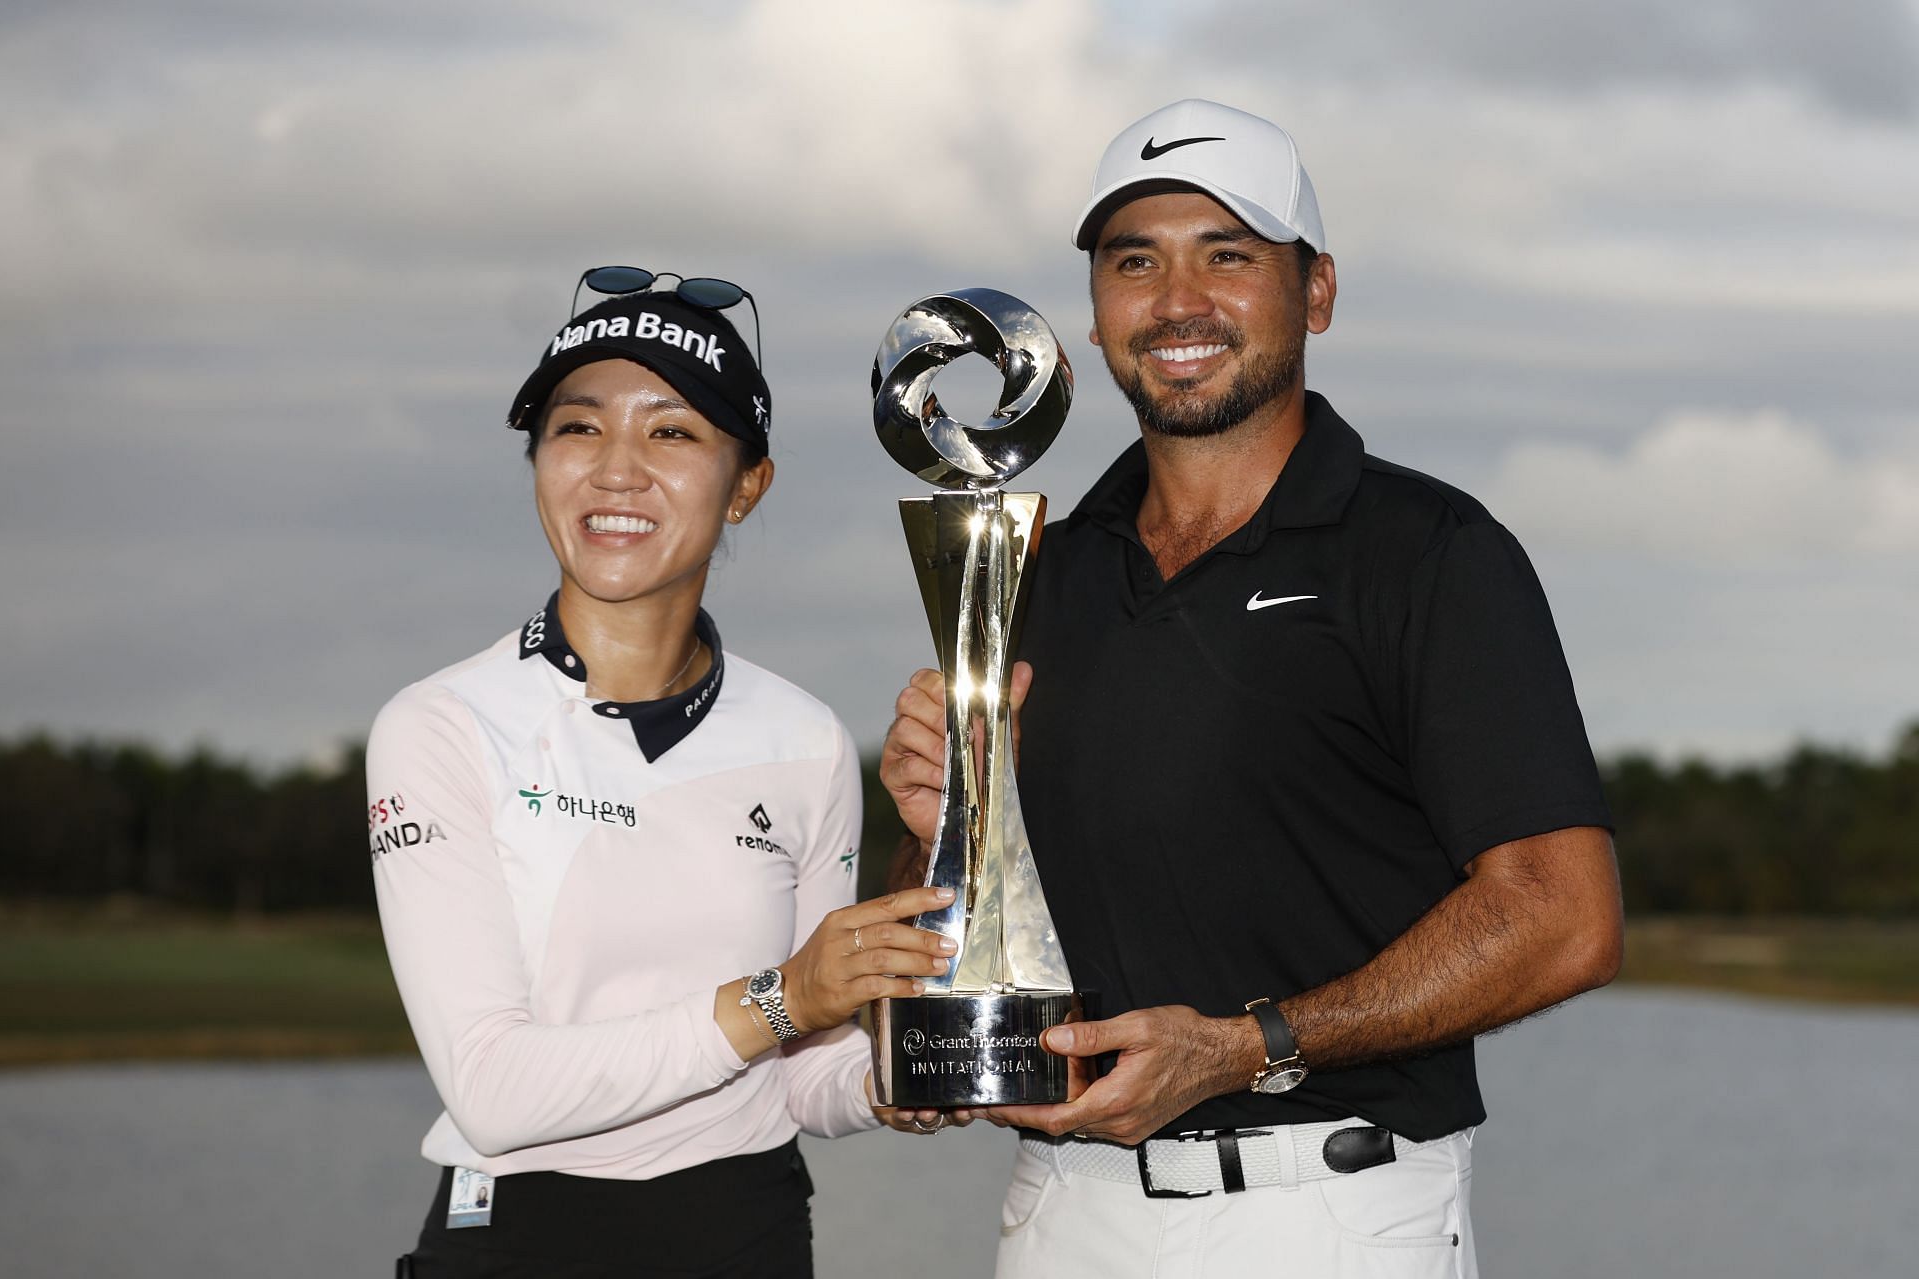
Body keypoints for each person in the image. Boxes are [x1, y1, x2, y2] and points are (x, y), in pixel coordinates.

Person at [880, 100, 1624, 1277]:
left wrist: (1248, 1046)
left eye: (1226, 254)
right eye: (1136, 262)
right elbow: (983, 933)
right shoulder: (1041, 572)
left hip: (1327, 1204)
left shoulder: (1428, 551)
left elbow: (1562, 916)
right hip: (1064, 1207)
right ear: (1097, 311)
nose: (1177, 301)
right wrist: (946, 840)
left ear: (1316, 292)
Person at [368, 267, 959, 1279]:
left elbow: (800, 1077)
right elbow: (495, 1088)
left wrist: (911, 1072)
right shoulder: (440, 725)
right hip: (516, 1236)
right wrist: (783, 996)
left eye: (673, 432)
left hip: (748, 1230)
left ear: (747, 485)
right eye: (579, 427)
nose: (616, 470)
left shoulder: (804, 734)